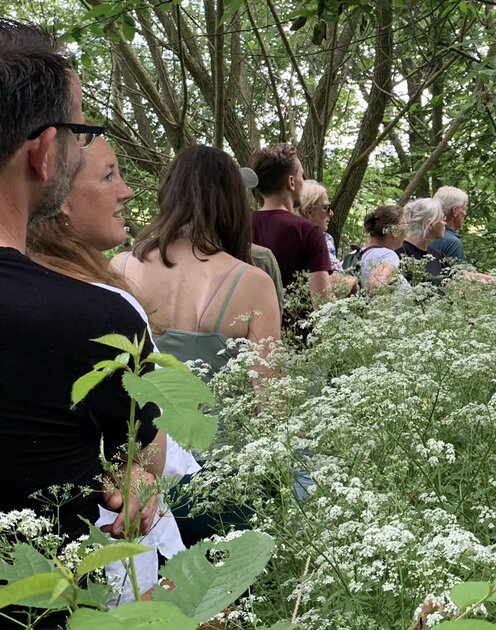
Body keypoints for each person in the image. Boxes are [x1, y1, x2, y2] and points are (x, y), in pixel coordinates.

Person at [0, 19, 162, 625]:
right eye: (79, 130)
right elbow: (147, 463)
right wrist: (135, 475)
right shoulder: (97, 321)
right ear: (44, 151)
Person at [26, 136, 194, 607]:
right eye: (108, 175)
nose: (127, 191)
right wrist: (129, 470)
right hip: (108, 557)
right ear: (56, 195)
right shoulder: (103, 309)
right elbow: (150, 454)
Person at [113, 145, 283, 379]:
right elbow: (270, 399)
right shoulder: (253, 284)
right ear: (234, 202)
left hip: (133, 416)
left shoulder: (119, 268)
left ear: (169, 193)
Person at [248, 143, 331, 300]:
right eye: (302, 176)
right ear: (291, 182)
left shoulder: (238, 227)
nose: (303, 182)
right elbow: (322, 301)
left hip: (245, 322)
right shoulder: (309, 231)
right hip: (296, 324)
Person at [357, 204, 410, 292]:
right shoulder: (387, 255)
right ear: (394, 230)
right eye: (404, 224)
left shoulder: (356, 253)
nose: (407, 229)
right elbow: (377, 285)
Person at [397, 197, 448, 286]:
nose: (445, 223)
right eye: (442, 219)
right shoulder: (398, 254)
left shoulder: (437, 255)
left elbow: (459, 276)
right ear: (430, 224)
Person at [297, 179, 341, 272]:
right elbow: (337, 279)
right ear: (309, 210)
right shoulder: (324, 239)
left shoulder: (282, 234)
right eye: (326, 208)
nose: (331, 213)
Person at [429, 185, 468, 264]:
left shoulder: (422, 233)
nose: (465, 213)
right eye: (463, 209)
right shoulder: (452, 242)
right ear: (455, 211)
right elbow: (459, 275)